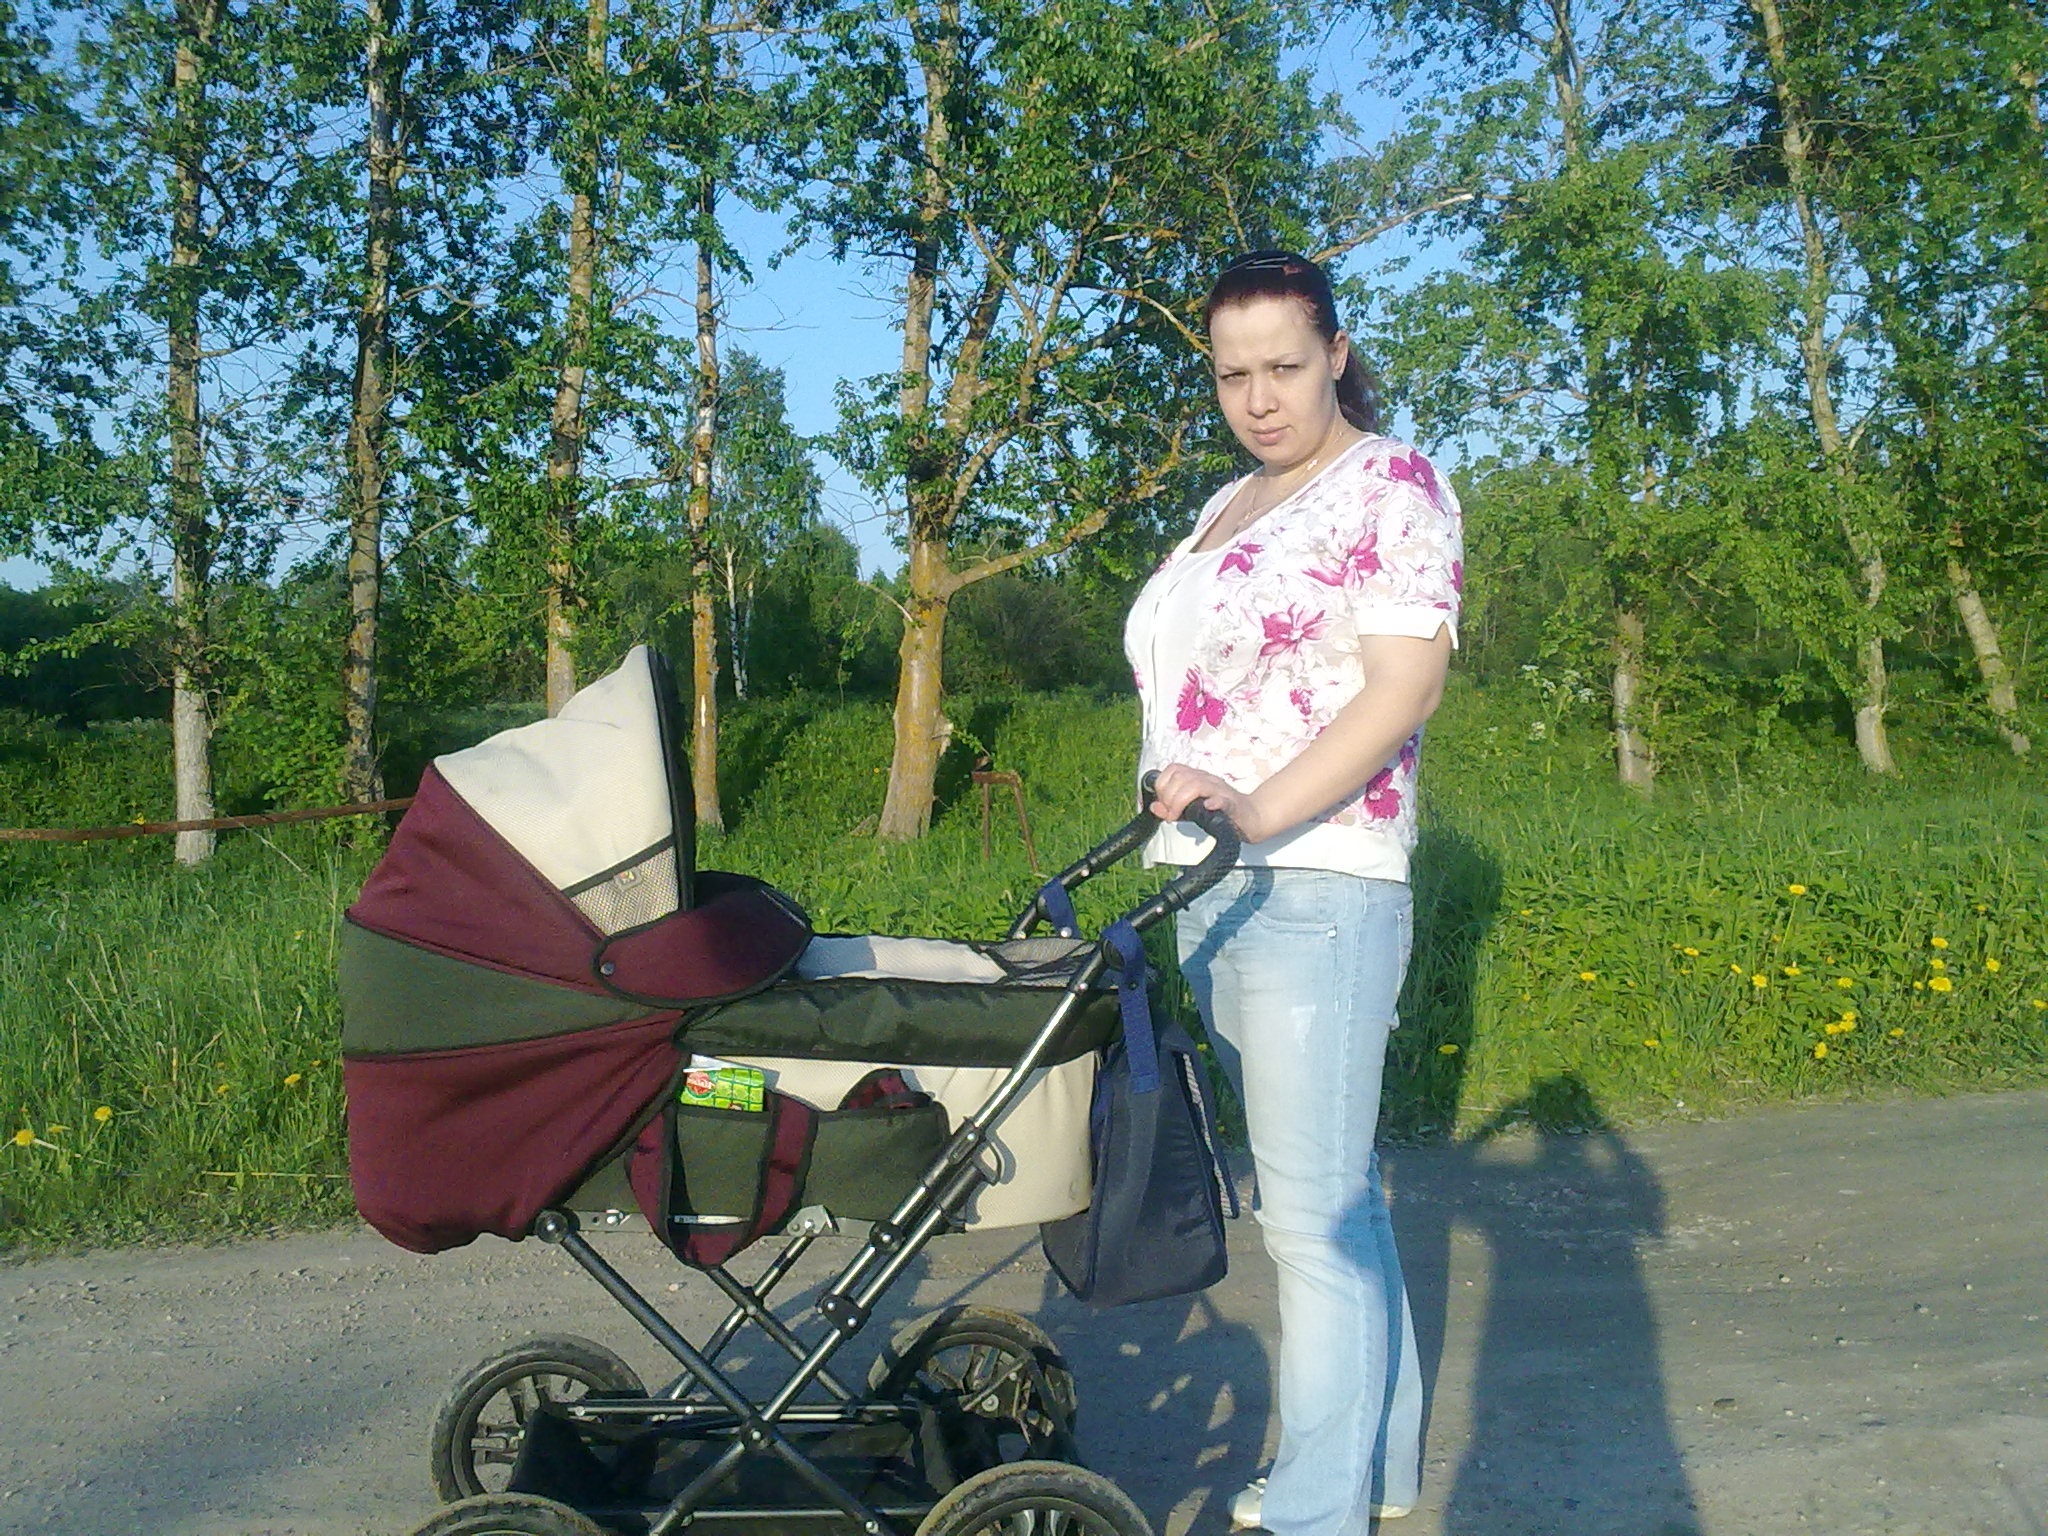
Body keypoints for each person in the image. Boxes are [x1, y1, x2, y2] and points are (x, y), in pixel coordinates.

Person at [1126, 251, 1462, 1534]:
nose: (1257, 398)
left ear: (1334, 354)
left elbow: (1402, 688)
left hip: (1316, 887)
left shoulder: (1389, 484)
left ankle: (1316, 1510)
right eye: (1231, 375)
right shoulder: (1228, 502)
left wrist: (1257, 810)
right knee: (1333, 1203)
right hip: (1212, 890)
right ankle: (1377, 1471)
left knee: (1311, 1223)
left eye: (1282, 365)